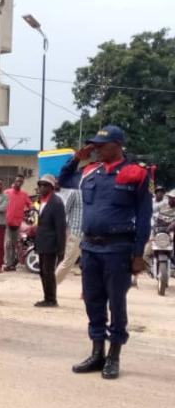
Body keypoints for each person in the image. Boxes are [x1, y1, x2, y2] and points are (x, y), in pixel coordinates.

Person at [58, 125, 152, 380]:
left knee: (117, 303)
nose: (97, 149)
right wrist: (77, 157)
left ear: (118, 145)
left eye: (102, 145)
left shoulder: (136, 174)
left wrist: (137, 255)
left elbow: (144, 218)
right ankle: (97, 352)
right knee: (92, 301)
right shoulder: (89, 171)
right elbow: (63, 180)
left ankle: (114, 355)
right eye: (95, 145)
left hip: (118, 249)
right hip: (90, 247)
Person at [33, 174, 66, 307]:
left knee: (48, 272)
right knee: (43, 271)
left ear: (51, 187)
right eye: (40, 185)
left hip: (51, 243)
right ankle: (47, 297)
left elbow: (61, 227)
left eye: (45, 185)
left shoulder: (56, 203)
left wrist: (61, 248)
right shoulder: (41, 201)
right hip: (42, 242)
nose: (41, 187)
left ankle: (51, 299)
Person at [55, 183, 84, 284]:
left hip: (90, 235)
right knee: (68, 262)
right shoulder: (75, 193)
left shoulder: (95, 194)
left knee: (90, 264)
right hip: (76, 233)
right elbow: (65, 211)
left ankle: (87, 291)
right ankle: (51, 287)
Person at [3, 175, 32, 271]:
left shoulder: (24, 194)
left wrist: (31, 210)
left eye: (21, 181)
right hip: (7, 222)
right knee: (8, 243)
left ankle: (12, 264)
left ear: (22, 183)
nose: (19, 183)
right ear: (14, 181)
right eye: (17, 181)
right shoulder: (7, 192)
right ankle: (8, 263)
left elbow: (30, 205)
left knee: (15, 244)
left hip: (18, 222)